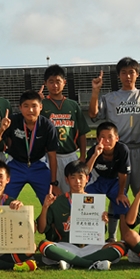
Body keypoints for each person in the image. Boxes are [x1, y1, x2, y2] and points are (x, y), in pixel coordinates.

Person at [37, 160, 126, 270]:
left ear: (87, 179)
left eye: (81, 177)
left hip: (90, 247)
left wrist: (104, 220)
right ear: (67, 180)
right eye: (73, 177)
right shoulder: (57, 202)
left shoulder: (95, 201)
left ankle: (70, 261)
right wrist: (45, 207)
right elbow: (41, 229)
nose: (77, 181)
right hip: (66, 246)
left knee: (121, 246)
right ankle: (94, 263)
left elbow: (101, 233)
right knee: (44, 245)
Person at [88, 57, 140, 195]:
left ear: (137, 74)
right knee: (118, 193)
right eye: (124, 73)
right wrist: (95, 92)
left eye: (131, 72)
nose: (128, 76)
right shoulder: (110, 98)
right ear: (119, 75)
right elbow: (93, 114)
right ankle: (115, 217)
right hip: (118, 151)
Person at [0, 90, 58, 203]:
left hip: (38, 166)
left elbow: (52, 155)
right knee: (3, 201)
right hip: (15, 165)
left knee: (50, 201)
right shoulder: (13, 121)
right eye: (26, 106)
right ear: (20, 107)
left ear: (41, 107)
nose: (30, 110)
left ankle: (45, 221)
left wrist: (54, 182)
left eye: (34, 106)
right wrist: (2, 129)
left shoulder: (47, 126)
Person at [40, 64, 90, 194]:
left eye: (58, 81)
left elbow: (82, 132)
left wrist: (83, 156)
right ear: (45, 84)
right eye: (51, 82)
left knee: (74, 192)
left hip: (71, 155)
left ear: (64, 83)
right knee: (52, 194)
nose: (55, 85)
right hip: (50, 156)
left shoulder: (73, 105)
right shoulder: (41, 105)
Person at [84, 122, 131, 242]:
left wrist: (121, 193)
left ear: (117, 138)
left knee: (123, 205)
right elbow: (86, 172)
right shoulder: (93, 150)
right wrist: (96, 154)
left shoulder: (122, 149)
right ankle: (92, 238)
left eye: (110, 137)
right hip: (97, 180)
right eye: (103, 137)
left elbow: (123, 174)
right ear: (98, 139)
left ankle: (124, 239)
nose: (107, 141)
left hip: (115, 181)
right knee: (86, 203)